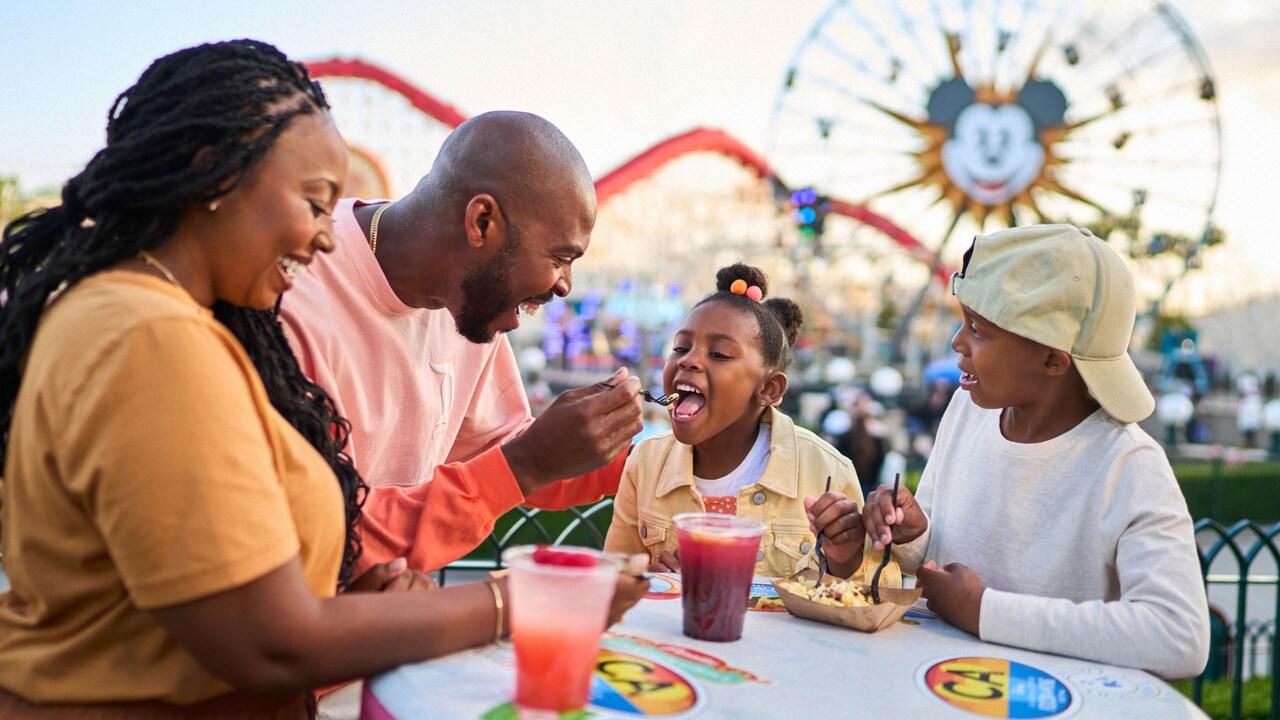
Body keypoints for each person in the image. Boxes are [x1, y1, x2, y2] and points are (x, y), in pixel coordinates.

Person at [0, 40, 644, 718]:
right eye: (315, 203)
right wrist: (525, 602)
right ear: (213, 177)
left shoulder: (180, 322)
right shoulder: (151, 335)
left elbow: (272, 569)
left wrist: (352, 602)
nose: (329, 239)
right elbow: (269, 640)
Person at [278, 111, 644, 575]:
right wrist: (525, 463)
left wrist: (651, 459)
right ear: (482, 221)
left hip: (393, 617)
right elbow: (323, 543)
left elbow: (495, 447)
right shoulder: (292, 296)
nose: (565, 286)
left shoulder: (471, 300)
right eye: (560, 257)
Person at [861, 224, 1209, 678]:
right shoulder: (968, 408)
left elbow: (1178, 636)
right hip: (938, 689)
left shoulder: (1129, 465)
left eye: (979, 330)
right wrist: (912, 533)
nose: (957, 342)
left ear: (1052, 360)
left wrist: (985, 611)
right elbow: (946, 554)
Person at [604, 264, 898, 584]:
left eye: (718, 354)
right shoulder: (645, 463)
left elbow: (880, 591)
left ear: (769, 389)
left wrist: (845, 560)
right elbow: (614, 578)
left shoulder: (828, 471)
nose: (688, 360)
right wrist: (647, 582)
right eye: (680, 347)